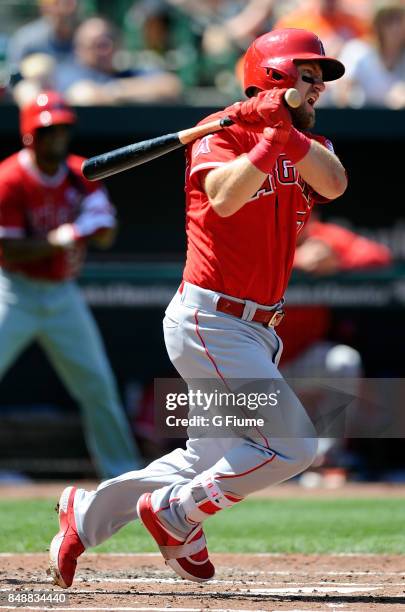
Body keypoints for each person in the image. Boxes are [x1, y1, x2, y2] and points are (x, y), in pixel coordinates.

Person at [47, 28, 347, 588]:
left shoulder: (310, 144)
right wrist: (264, 139)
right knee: (294, 446)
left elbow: (334, 183)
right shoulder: (220, 138)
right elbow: (227, 197)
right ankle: (175, 514)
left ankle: (85, 516)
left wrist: (284, 133)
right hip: (212, 319)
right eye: (307, 77)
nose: (317, 90)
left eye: (319, 80)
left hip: (254, 330)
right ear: (273, 78)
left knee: (208, 458)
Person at [0, 91, 142, 480]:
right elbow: (8, 251)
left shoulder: (81, 173)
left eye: (63, 129)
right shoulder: (10, 178)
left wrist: (95, 224)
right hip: (14, 290)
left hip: (63, 294)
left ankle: (122, 474)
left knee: (98, 386)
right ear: (31, 134)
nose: (59, 138)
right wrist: (63, 238)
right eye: (50, 131)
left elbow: (105, 235)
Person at [55, 16, 182, 105]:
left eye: (109, 42)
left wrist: (115, 91)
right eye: (98, 45)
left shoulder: (126, 74)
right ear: (80, 48)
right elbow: (85, 96)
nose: (106, 50)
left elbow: (171, 85)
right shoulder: (68, 73)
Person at [332, 0, 405, 108]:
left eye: (399, 20)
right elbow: (341, 93)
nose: (395, 27)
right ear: (377, 25)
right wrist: (349, 96)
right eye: (388, 20)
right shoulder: (357, 51)